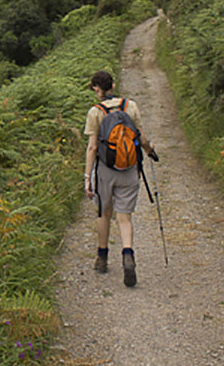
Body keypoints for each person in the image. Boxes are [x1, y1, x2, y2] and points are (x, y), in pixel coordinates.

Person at [83, 70, 154, 287]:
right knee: (124, 217)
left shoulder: (95, 112)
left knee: (104, 213)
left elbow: (92, 147)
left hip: (105, 171)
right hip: (129, 170)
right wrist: (150, 151)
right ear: (113, 86)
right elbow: (141, 137)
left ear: (96, 89)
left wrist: (87, 177)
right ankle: (128, 254)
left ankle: (102, 258)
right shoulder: (130, 106)